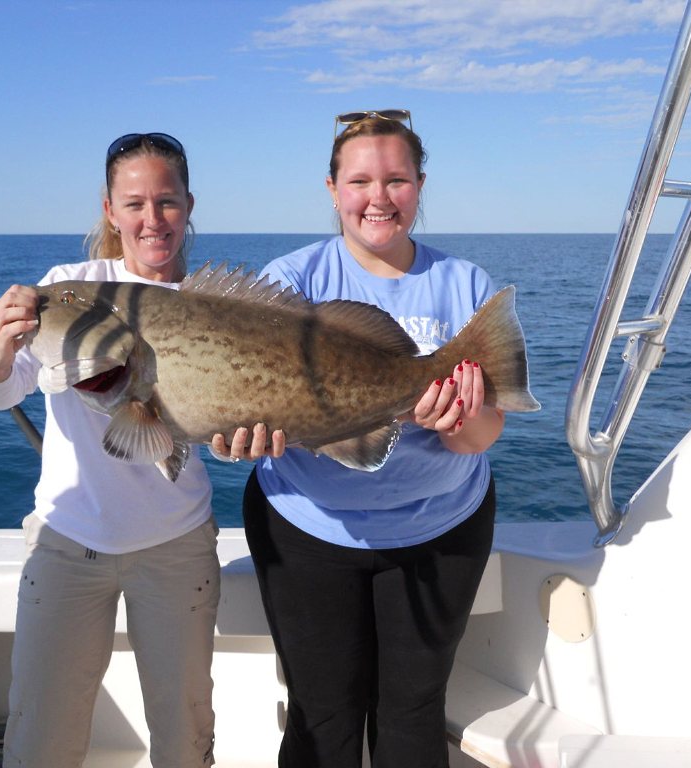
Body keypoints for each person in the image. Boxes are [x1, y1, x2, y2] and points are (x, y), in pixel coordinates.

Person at [0, 132, 276, 768]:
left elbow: (218, 431)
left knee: (185, 733)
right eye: (133, 203)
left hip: (178, 545)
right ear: (110, 210)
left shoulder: (216, 306)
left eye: (165, 201)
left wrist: (245, 441)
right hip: (66, 545)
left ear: (189, 205)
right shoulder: (69, 289)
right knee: (40, 735)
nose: (151, 219)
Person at [237, 110, 506, 768]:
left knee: (412, 716)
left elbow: (482, 436)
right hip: (307, 531)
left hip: (441, 531)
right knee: (321, 714)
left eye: (397, 180)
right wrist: (238, 433)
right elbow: (255, 396)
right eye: (359, 181)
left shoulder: (466, 284)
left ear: (420, 184)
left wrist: (458, 421)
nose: (379, 198)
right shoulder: (291, 281)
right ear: (332, 189)